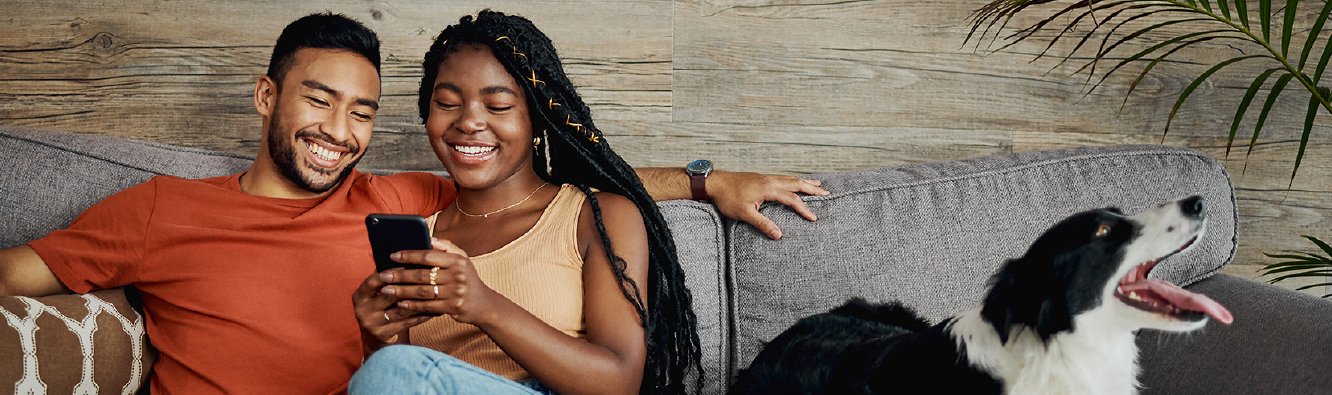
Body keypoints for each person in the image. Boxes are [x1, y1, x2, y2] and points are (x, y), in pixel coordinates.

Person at [0, 12, 826, 394]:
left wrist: (706, 179)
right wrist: (372, 327)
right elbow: (19, 271)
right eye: (318, 101)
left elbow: (563, 178)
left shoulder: (393, 197)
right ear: (264, 97)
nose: (339, 131)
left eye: (361, 112)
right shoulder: (163, 209)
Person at [348, 10, 709, 394]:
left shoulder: (595, 215)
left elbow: (618, 382)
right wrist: (379, 337)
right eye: (447, 103)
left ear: (538, 120)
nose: (468, 122)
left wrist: (483, 304)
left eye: (498, 106)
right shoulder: (425, 239)